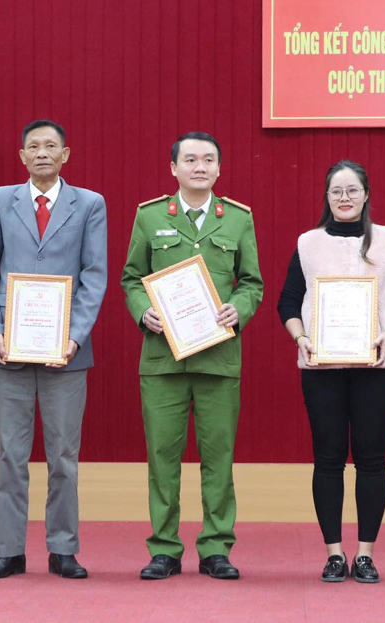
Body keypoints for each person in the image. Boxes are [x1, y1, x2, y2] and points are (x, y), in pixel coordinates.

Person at [121, 131, 264, 581]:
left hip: (219, 360)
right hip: (164, 360)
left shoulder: (238, 220)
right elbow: (131, 278)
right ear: (173, 168)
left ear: (219, 169)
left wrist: (236, 310)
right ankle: (164, 548)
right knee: (162, 458)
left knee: (218, 458)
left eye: (208, 160)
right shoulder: (149, 217)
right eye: (190, 160)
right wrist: (144, 313)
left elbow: (252, 284)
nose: (199, 167)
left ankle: (216, 547)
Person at [0, 119, 108, 580]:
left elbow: (95, 276)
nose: (43, 153)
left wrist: (74, 337)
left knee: (64, 457)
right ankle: (8, 550)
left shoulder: (89, 204)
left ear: (66, 154)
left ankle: (63, 548)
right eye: (34, 146)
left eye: (52, 146)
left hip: (65, 353)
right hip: (8, 350)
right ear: (22, 156)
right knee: (10, 455)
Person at [276, 160, 385, 583]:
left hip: (376, 367)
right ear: (327, 197)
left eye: (352, 190)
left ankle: (365, 554)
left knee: (372, 460)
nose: (344, 198)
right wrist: (300, 337)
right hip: (321, 367)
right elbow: (288, 299)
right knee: (327, 460)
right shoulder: (308, 243)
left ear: (365, 195)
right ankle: (334, 554)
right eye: (336, 191)